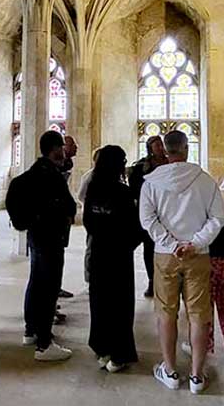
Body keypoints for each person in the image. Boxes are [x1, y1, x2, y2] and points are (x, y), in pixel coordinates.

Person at [139, 130, 224, 394]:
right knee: (199, 315)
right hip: (197, 255)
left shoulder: (151, 182)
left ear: (165, 151)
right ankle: (197, 377)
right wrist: (195, 243)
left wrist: (171, 243)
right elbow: (218, 218)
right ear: (186, 149)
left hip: (166, 255)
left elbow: (147, 220)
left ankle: (170, 370)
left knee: (166, 313)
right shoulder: (205, 181)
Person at [83, 145, 143, 372]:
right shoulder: (123, 192)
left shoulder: (93, 188)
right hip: (119, 256)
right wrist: (128, 245)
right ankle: (119, 354)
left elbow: (89, 221)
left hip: (99, 252)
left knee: (100, 301)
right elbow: (134, 226)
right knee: (120, 304)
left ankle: (102, 348)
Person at [20, 130, 77, 361]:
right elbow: (68, 205)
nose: (63, 151)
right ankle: (44, 343)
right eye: (62, 147)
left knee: (36, 282)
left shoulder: (37, 170)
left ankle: (31, 331)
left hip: (36, 235)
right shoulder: (50, 175)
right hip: (50, 237)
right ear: (55, 148)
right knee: (49, 287)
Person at [182, 214, 224, 361]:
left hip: (203, 265)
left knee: (203, 308)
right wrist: (223, 249)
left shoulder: (197, 221)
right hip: (223, 265)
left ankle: (204, 345)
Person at [128, 135, 169, 297]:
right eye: (156, 145)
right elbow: (135, 186)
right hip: (150, 210)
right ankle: (152, 280)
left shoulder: (170, 163)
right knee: (149, 248)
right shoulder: (143, 165)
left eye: (161, 144)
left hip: (167, 210)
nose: (159, 147)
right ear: (150, 148)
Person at [58, 134, 79, 300]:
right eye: (72, 145)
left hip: (60, 219)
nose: (76, 147)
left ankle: (55, 287)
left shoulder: (65, 164)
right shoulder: (52, 168)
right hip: (50, 222)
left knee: (57, 256)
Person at [78, 147, 101, 285]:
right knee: (91, 247)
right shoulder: (89, 176)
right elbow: (81, 196)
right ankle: (89, 276)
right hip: (93, 217)